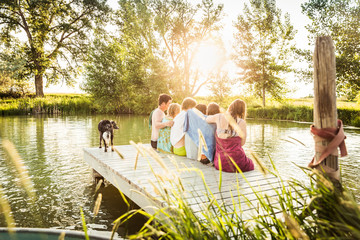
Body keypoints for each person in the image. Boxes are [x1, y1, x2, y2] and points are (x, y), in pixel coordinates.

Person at [206, 99, 254, 173]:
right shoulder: (242, 122)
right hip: (238, 163)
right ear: (242, 111)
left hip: (220, 163)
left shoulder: (219, 116)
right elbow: (242, 143)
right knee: (251, 164)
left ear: (230, 107)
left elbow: (207, 119)